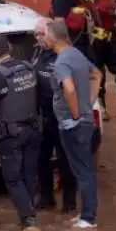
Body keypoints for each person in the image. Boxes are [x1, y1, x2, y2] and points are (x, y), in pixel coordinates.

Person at [0, 33, 44, 231]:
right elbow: (40, 95)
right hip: (33, 129)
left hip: (11, 134)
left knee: (13, 178)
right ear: (9, 46)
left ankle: (28, 220)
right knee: (30, 173)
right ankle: (31, 212)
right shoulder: (28, 67)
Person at [44, 19, 102, 230]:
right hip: (83, 122)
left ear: (52, 37)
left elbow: (68, 89)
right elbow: (97, 74)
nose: (43, 38)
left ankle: (88, 218)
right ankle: (85, 214)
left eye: (44, 34)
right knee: (83, 170)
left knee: (83, 171)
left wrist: (77, 112)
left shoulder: (61, 63)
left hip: (73, 124)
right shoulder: (76, 54)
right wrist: (89, 101)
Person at [33, 17, 77, 214]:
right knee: (41, 159)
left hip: (62, 116)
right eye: (35, 34)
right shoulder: (37, 53)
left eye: (41, 34)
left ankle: (69, 202)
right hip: (43, 117)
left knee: (65, 160)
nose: (38, 38)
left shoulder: (64, 56)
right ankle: (46, 197)